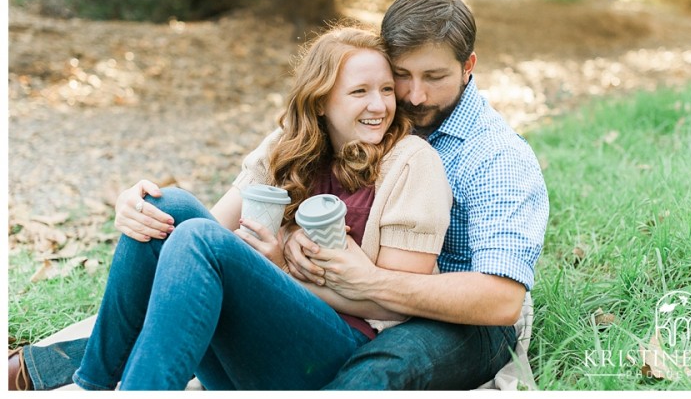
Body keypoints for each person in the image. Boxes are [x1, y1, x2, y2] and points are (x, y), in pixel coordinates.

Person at [8, 25, 452, 390]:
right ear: (320, 100)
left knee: (198, 238)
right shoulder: (288, 147)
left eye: (386, 90)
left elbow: (397, 305)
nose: (379, 105)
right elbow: (205, 228)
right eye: (360, 91)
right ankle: (95, 382)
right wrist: (134, 207)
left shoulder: (411, 162)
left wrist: (282, 270)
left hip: (334, 358)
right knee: (167, 205)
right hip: (253, 349)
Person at [282, 0, 549, 390]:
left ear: (468, 66)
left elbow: (501, 299)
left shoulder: (497, 156)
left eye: (434, 77)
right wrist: (290, 233)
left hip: (467, 321)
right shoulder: (376, 116)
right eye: (401, 75)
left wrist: (370, 281)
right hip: (361, 308)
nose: (415, 95)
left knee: (378, 371)